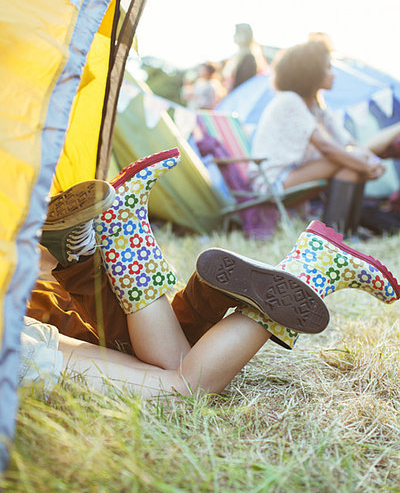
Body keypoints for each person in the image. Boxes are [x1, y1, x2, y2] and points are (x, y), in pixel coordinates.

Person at [24, 149, 400, 396]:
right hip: (23, 336)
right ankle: (123, 231)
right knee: (171, 365)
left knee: (184, 388)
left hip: (19, 348)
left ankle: (311, 269)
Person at [250, 38, 400, 235]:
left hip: (296, 175)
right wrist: (365, 163)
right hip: (272, 182)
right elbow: (326, 147)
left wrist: (369, 160)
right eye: (328, 67)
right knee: (345, 160)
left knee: (351, 165)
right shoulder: (289, 101)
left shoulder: (315, 104)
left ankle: (344, 231)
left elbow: (346, 140)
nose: (334, 74)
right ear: (311, 72)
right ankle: (334, 234)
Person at [223, 23, 269, 92]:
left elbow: (245, 84)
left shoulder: (248, 58)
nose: (234, 36)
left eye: (237, 33)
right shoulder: (238, 57)